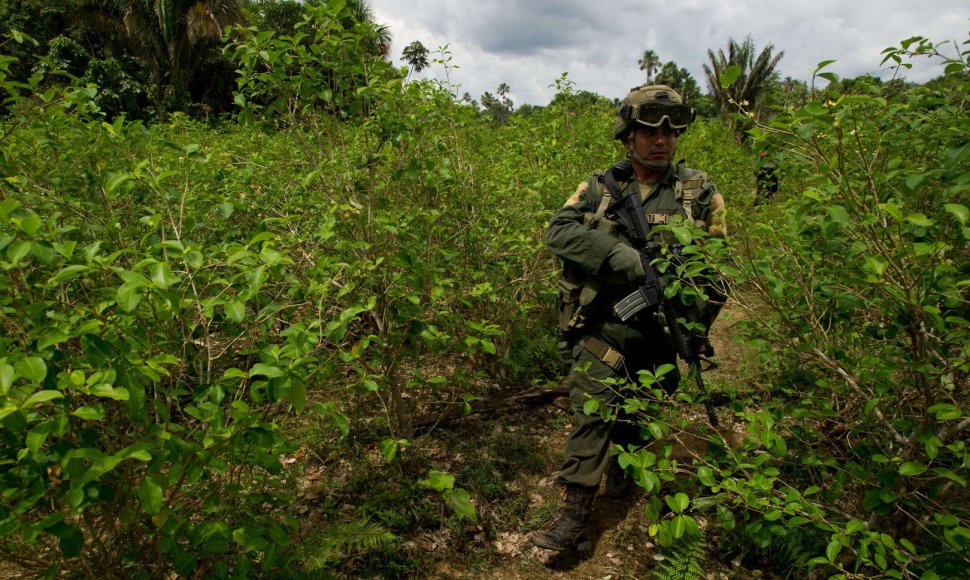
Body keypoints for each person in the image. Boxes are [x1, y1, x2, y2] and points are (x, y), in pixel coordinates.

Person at [530, 85, 726, 555]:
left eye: (671, 131)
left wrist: (696, 328)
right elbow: (557, 232)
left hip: (662, 330)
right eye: (650, 130)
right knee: (592, 408)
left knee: (643, 407)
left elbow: (719, 270)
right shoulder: (600, 187)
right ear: (628, 135)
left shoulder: (699, 192)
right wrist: (618, 255)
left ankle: (624, 465)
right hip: (605, 325)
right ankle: (575, 515)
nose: (662, 139)